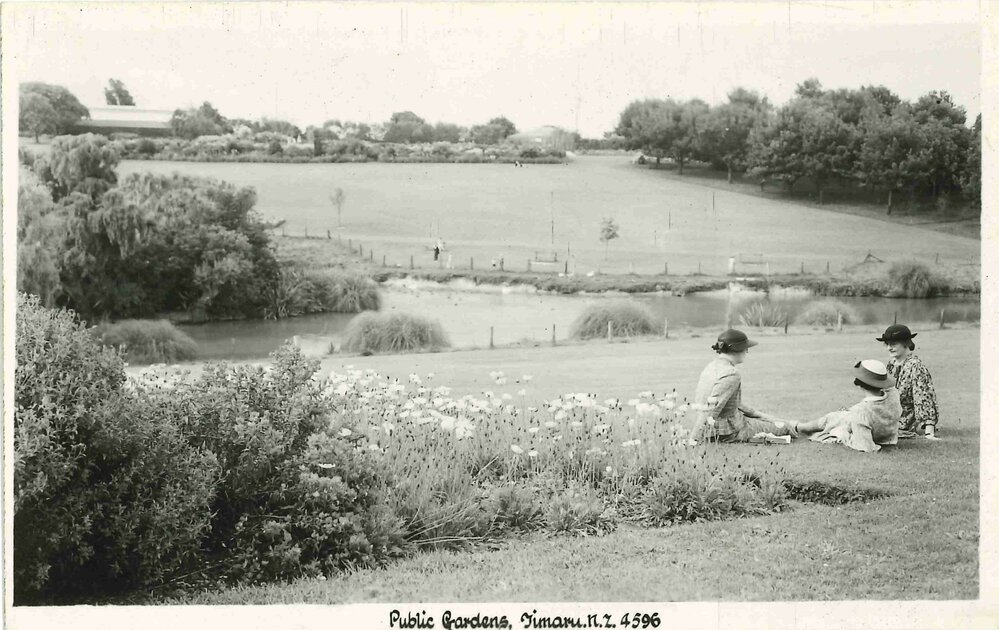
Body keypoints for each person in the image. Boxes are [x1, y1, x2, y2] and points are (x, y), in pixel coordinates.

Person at [691, 329, 796, 443]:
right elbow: (712, 409)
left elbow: (731, 404)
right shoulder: (731, 373)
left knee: (774, 421)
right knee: (784, 427)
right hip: (728, 432)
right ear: (737, 349)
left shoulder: (711, 366)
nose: (746, 351)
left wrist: (761, 415)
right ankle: (798, 427)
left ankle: (801, 426)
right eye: (745, 348)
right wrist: (693, 440)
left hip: (723, 425)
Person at [797, 360, 901, 452]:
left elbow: (865, 445)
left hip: (866, 431)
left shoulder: (861, 411)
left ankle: (799, 427)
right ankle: (799, 427)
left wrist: (842, 435)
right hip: (886, 436)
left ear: (860, 385)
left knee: (832, 420)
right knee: (836, 417)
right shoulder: (894, 396)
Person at [877, 324, 941, 439]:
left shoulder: (915, 367)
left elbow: (924, 399)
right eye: (887, 344)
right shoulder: (892, 364)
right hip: (888, 416)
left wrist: (929, 432)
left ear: (906, 343)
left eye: (893, 344)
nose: (889, 348)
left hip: (905, 422)